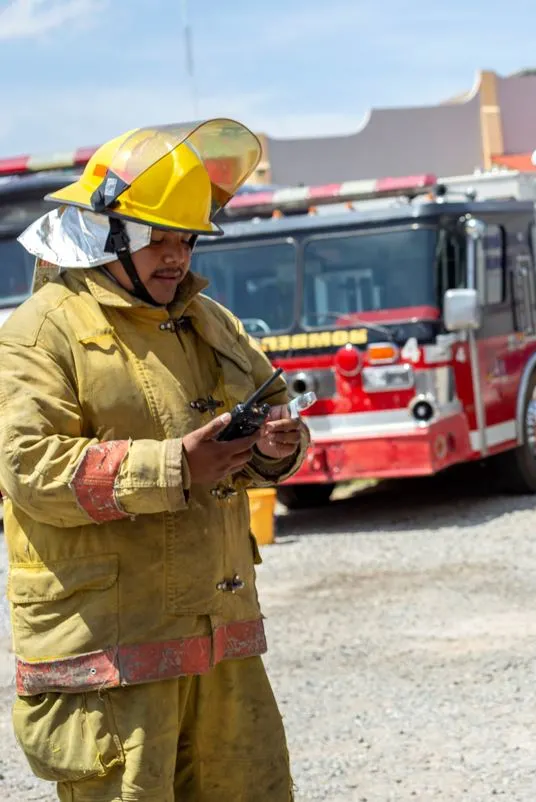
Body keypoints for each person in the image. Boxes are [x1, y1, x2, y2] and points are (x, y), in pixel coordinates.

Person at [0, 119, 309, 801]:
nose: (176, 258)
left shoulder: (207, 320)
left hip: (219, 643)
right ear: (106, 234)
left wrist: (274, 448)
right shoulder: (40, 332)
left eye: (185, 239)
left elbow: (272, 406)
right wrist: (173, 469)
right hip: (111, 657)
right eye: (157, 239)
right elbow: (30, 470)